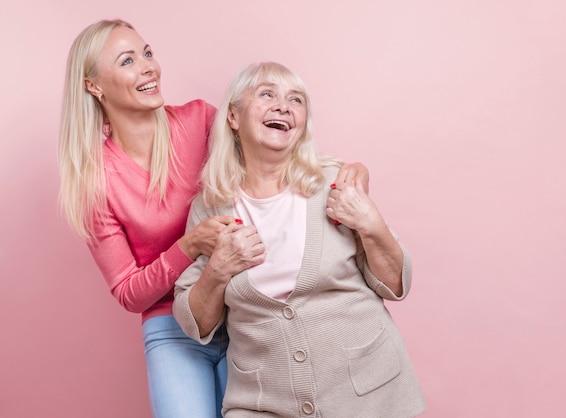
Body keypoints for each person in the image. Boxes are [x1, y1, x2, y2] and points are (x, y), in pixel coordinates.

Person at [58, 20, 370, 418]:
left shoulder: (200, 121)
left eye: (148, 53)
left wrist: (348, 168)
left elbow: (276, 157)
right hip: (173, 329)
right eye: (128, 60)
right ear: (94, 86)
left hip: (248, 313)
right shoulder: (95, 182)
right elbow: (128, 292)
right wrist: (189, 246)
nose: (149, 67)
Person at [173, 61, 426, 417]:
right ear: (233, 115)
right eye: (267, 95)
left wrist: (372, 224)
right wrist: (218, 270)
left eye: (296, 100)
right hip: (262, 404)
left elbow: (396, 284)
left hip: (369, 396)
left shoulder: (333, 182)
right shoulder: (210, 207)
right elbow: (194, 323)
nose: (283, 107)